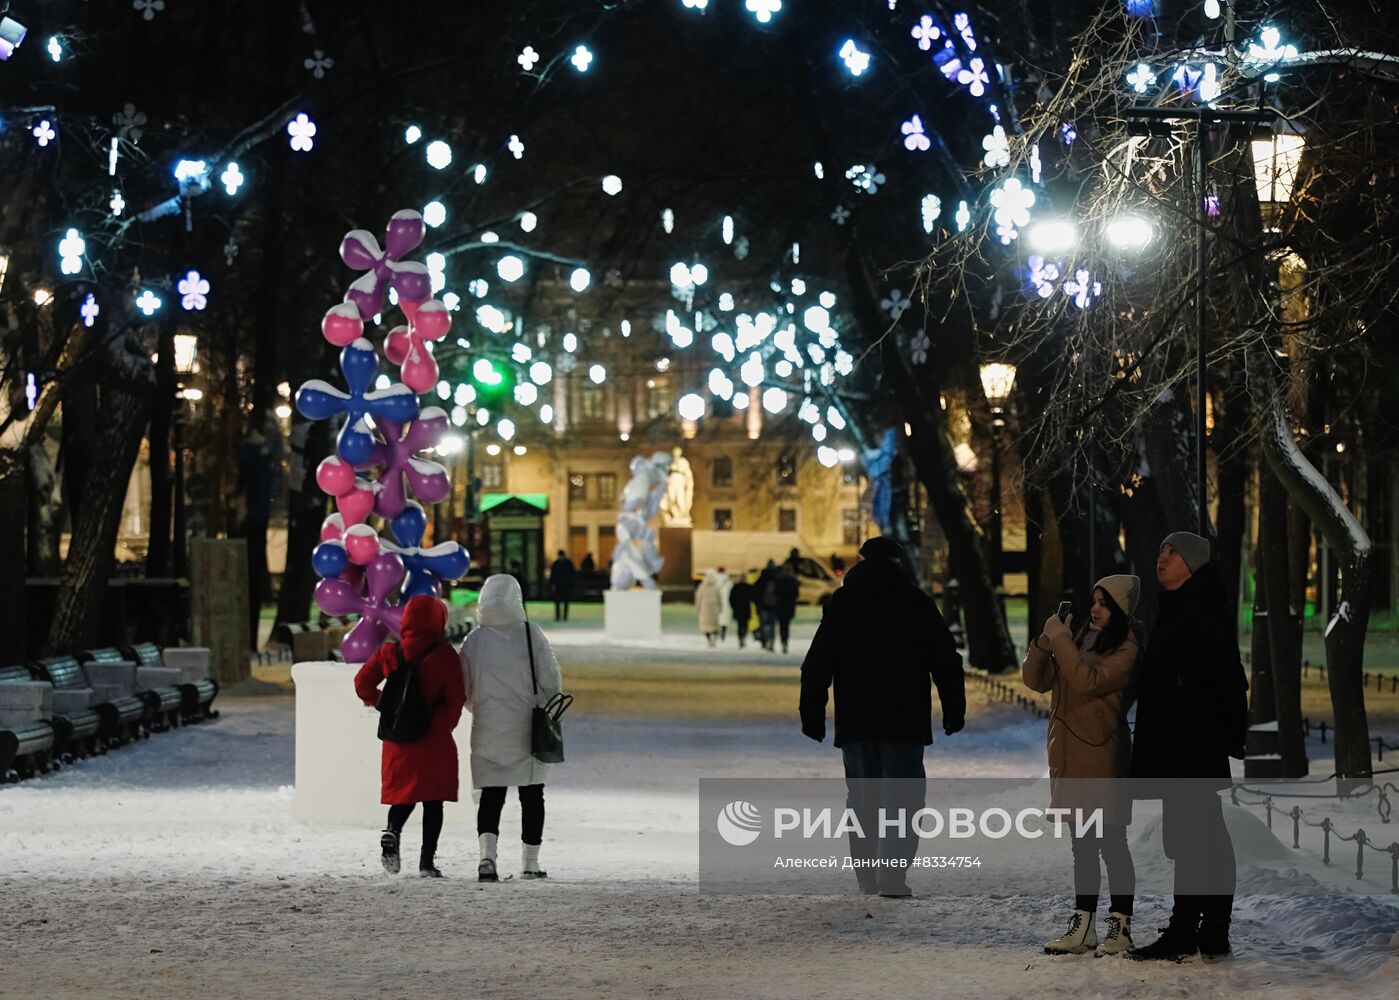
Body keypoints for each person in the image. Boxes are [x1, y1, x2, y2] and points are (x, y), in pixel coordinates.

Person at [799, 536, 965, 898]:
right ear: (897, 562)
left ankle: (866, 876)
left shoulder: (843, 602)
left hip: (856, 722)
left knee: (862, 800)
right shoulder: (915, 601)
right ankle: (892, 877)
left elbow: (817, 663)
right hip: (904, 721)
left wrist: (812, 714)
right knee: (903, 801)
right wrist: (954, 709)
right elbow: (946, 659)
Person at [1128, 532, 1248, 961]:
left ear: (1191, 563)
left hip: (1192, 744)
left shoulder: (1198, 610)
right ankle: (1209, 927)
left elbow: (1227, 676)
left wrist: (1226, 734)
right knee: (1201, 837)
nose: (1161, 557)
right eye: (1160, 549)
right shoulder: (1180, 608)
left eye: (1171, 551)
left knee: (1198, 838)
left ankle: (1191, 928)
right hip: (1184, 743)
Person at [1023, 576, 1142, 957]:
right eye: (1093, 601)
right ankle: (1083, 923)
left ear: (1121, 609)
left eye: (1104, 603)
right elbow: (1036, 679)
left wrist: (1060, 640)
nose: (1094, 609)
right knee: (1083, 847)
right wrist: (1046, 641)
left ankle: (1120, 925)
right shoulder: (1078, 639)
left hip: (1102, 758)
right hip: (1070, 757)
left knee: (1111, 844)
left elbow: (1087, 681)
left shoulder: (1127, 647)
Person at [460, 574, 564, 882]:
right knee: (532, 795)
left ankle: (486, 859)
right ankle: (530, 862)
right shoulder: (532, 634)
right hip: (526, 729)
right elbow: (552, 682)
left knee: (491, 795)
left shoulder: (474, 640)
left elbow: (463, 689)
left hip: (487, 728)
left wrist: (480, 708)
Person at [353, 594, 466, 879]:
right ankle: (427, 863)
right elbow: (455, 699)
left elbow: (362, 683)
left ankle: (392, 831)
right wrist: (443, 726)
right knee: (433, 800)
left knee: (403, 795)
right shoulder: (445, 655)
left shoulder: (390, 651)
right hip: (433, 737)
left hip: (397, 736)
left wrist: (381, 703)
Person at [773, 564, 800, 654]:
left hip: (780, 606)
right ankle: (785, 643)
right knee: (786, 626)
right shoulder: (793, 581)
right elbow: (796, 594)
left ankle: (783, 642)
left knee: (782, 626)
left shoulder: (779, 580)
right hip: (789, 606)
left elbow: (775, 593)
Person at [695, 569, 724, 647]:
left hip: (705, 609)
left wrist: (698, 608)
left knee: (706, 626)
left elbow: (698, 598)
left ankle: (709, 639)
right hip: (714, 609)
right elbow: (719, 598)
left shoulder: (702, 586)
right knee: (714, 625)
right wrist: (721, 607)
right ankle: (714, 638)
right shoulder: (716, 587)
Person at [756, 561, 780, 651]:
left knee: (765, 625)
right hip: (774, 606)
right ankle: (771, 642)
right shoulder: (777, 578)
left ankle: (765, 641)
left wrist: (758, 604)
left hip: (763, 605)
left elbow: (757, 592)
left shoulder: (762, 578)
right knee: (772, 625)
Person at [729, 572, 756, 649]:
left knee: (740, 625)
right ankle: (743, 637)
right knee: (745, 624)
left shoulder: (735, 587)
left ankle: (741, 638)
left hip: (738, 609)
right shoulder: (748, 587)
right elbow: (753, 597)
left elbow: (731, 598)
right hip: (746, 609)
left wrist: (733, 607)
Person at [549, 550, 576, 622]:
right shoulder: (558, 564)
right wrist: (552, 583)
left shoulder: (562, 564)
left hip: (565, 585)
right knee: (558, 601)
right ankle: (558, 616)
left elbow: (572, 575)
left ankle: (564, 616)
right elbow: (553, 575)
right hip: (559, 585)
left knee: (565, 601)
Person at [716, 567, 734, 642]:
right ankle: (723, 634)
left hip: (717, 602)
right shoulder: (729, 582)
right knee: (724, 620)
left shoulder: (714, 580)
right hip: (727, 604)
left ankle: (717, 633)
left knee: (717, 619)